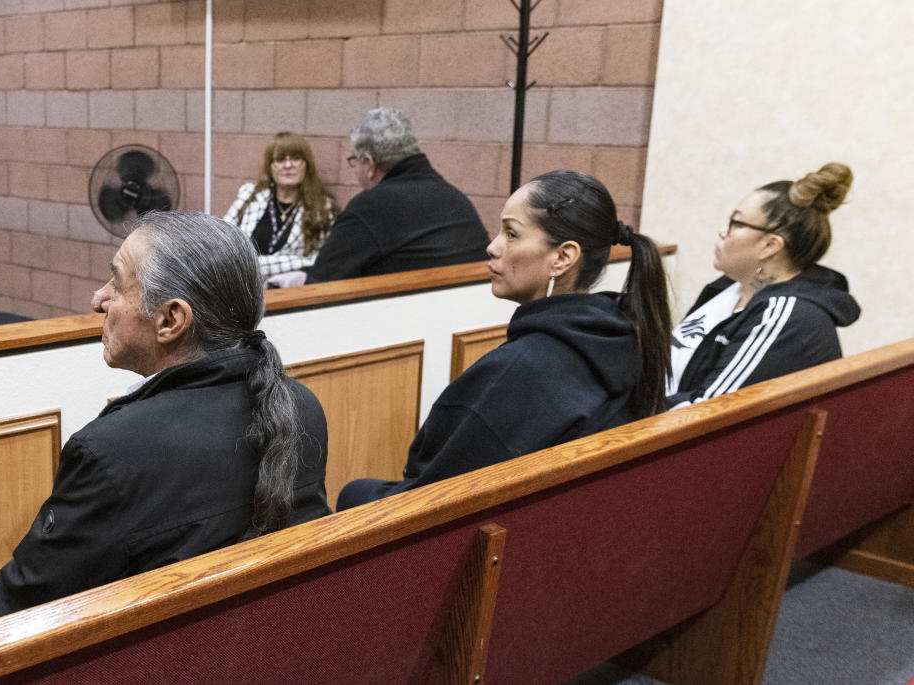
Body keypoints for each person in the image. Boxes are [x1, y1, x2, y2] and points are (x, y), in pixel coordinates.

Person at [0, 211, 331, 630]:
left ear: (170, 320)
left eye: (117, 282)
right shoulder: (301, 407)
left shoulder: (113, 454)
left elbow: (13, 613)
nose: (98, 299)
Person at [336, 170, 671, 509]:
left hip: (494, 539)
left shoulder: (520, 371)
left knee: (353, 492)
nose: (492, 247)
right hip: (567, 525)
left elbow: (431, 500)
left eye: (512, 234)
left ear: (563, 257)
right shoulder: (623, 336)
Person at [668, 162, 861, 407]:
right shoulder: (728, 288)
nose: (722, 232)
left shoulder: (788, 317)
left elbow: (707, 410)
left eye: (736, 224)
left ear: (770, 245)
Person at [304, 107, 489, 283]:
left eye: (355, 161)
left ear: (369, 164)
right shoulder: (454, 197)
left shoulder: (368, 208)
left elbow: (318, 285)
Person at [223, 131, 338, 286]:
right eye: (280, 159)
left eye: (296, 158)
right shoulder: (250, 196)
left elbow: (317, 260)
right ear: (270, 166)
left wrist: (253, 264)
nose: (288, 165)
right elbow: (222, 238)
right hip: (237, 284)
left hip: (285, 292)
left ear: (306, 164)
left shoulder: (322, 208)